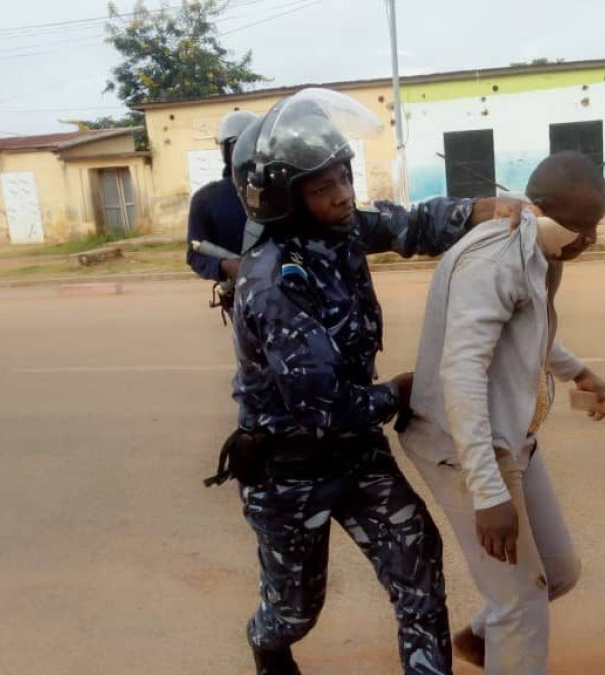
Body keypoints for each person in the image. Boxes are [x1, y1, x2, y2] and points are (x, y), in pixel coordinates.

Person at [205, 88, 519, 675]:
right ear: (286, 200)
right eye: (323, 188)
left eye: (343, 176)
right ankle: (267, 643)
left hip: (356, 451)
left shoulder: (339, 230)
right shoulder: (274, 281)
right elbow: (320, 404)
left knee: (418, 568)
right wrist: (397, 394)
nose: (343, 194)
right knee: (296, 610)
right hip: (288, 468)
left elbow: (405, 225)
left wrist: (480, 210)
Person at [399, 151, 605, 674]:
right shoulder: (496, 259)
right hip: (465, 446)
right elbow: (463, 373)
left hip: (510, 434)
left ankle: (483, 642)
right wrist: (489, 492)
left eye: (596, 228)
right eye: (580, 227)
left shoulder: (540, 246)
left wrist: (578, 372)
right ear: (541, 208)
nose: (587, 240)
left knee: (559, 573)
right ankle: (505, 640)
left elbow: (527, 330)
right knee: (521, 603)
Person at [186, 109, 258, 283]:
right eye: (239, 144)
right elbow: (194, 255)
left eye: (253, 143)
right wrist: (224, 266)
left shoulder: (281, 190)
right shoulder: (206, 200)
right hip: (238, 298)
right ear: (227, 149)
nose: (247, 150)